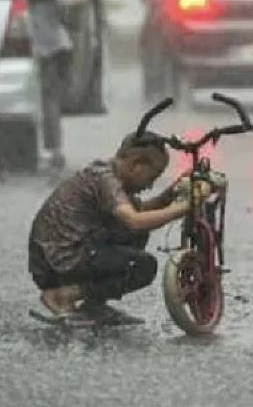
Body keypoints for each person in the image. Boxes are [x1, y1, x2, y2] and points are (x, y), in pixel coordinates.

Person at [28, 132, 191, 324]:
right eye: (152, 176)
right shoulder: (106, 180)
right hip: (60, 263)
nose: (150, 185)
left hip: (54, 260)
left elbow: (140, 211)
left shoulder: (106, 173)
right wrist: (184, 208)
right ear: (136, 164)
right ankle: (63, 295)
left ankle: (93, 305)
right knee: (144, 266)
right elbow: (135, 220)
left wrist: (170, 194)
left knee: (134, 235)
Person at [12, 0, 73, 173]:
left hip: (19, 47)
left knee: (19, 102)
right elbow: (64, 2)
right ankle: (53, 150)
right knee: (50, 99)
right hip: (54, 43)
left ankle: (19, 151)